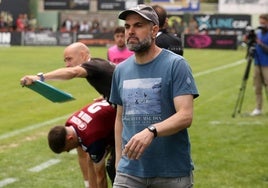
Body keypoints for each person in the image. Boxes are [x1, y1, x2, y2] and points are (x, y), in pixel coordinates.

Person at [109, 4, 199, 188]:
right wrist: (119, 161)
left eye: (138, 25)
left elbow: (185, 116)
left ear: (154, 30)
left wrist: (151, 131)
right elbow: (120, 118)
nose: (130, 31)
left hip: (171, 173)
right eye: (127, 26)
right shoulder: (121, 70)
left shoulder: (176, 65)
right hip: (129, 172)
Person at [20, 42, 116, 188]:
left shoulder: (92, 66)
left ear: (83, 55)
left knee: (116, 169)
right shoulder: (99, 63)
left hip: (132, 115)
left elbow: (73, 72)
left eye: (69, 59)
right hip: (123, 111)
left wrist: (40, 77)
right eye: (65, 61)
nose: (67, 64)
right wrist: (107, 96)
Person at [48, 99, 116, 186]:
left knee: (114, 168)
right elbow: (86, 156)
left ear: (70, 138)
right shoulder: (70, 123)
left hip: (128, 120)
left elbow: (101, 176)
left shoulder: (91, 140)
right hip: (112, 106)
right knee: (92, 159)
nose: (69, 151)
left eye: (67, 149)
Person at [250, 14, 268, 116]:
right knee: (257, 87)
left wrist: (259, 43)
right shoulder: (258, 33)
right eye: (260, 23)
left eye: (264, 23)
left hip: (267, 64)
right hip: (257, 63)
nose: (261, 25)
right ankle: (258, 108)